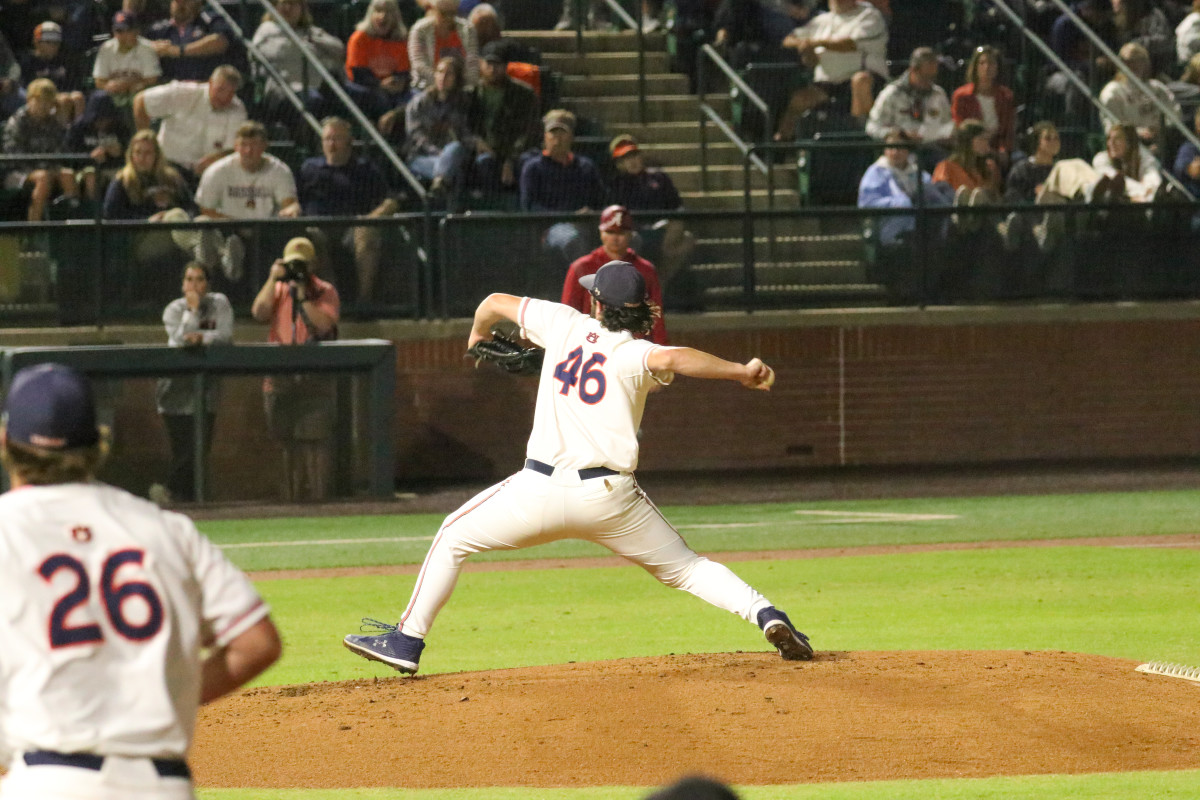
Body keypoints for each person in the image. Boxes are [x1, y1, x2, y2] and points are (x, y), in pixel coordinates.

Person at [342, 260, 812, 675]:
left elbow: (491, 303)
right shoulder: (635, 355)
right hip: (610, 498)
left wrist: (478, 335)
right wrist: (741, 371)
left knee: (452, 536)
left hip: (538, 490)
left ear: (596, 301)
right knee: (687, 568)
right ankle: (767, 615)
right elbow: (673, 357)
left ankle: (407, 640)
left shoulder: (563, 322)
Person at [0, 362, 282, 800]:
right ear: (99, 442)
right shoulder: (165, 528)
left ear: (5, 443)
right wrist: (165, 697)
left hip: (45, 780)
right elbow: (256, 643)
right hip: (161, 784)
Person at [250, 236, 341, 501]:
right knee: (284, 441)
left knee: (316, 440)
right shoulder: (278, 289)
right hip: (280, 378)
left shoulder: (325, 290)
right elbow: (259, 312)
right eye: (293, 265)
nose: (297, 270)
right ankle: (290, 502)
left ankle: (319, 502)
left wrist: (303, 296)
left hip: (316, 377)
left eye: (302, 265)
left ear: (313, 265)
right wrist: (272, 278)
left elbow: (323, 325)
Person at [152, 262, 234, 504]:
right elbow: (181, 339)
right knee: (184, 450)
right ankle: (175, 495)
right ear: (182, 284)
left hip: (205, 391)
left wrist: (202, 338)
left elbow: (225, 336)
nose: (194, 285)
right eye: (189, 279)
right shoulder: (173, 310)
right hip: (174, 393)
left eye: (199, 279)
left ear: (207, 284)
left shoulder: (219, 303)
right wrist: (193, 311)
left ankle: (178, 496)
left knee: (200, 449)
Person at [298, 115, 399, 304]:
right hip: (318, 226)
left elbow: (391, 201)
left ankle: (364, 301)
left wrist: (370, 218)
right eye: (327, 139)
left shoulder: (365, 169)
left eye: (337, 138)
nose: (332, 143)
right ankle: (328, 302)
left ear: (349, 141)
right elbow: (294, 200)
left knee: (367, 234)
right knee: (311, 236)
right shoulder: (309, 169)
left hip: (353, 227)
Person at [193, 120, 302, 282]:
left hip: (265, 231)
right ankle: (223, 265)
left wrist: (292, 209)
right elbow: (206, 210)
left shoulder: (279, 170)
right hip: (227, 229)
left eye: (254, 145)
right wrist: (235, 224)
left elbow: (290, 203)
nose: (248, 151)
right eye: (243, 145)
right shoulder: (217, 171)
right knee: (202, 223)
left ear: (264, 146)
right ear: (236, 146)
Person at [773, 0, 889, 139]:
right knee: (800, 99)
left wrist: (814, 43)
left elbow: (848, 44)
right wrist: (803, 45)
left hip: (862, 77)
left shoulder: (870, 16)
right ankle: (780, 147)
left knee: (861, 81)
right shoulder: (822, 20)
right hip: (828, 83)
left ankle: (863, 140)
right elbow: (788, 39)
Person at [561, 204, 668, 344]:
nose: (615, 238)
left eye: (621, 233)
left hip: (633, 346)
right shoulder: (581, 267)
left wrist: (661, 346)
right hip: (592, 343)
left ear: (631, 234)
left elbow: (656, 317)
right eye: (610, 232)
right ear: (601, 233)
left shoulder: (645, 269)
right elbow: (568, 314)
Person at [520, 108, 609, 271]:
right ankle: (588, 291)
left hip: (587, 225)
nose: (557, 139)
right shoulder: (533, 167)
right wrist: (568, 216)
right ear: (545, 136)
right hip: (551, 228)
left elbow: (601, 200)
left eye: (562, 133)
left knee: (627, 239)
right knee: (572, 239)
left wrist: (590, 213)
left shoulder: (585, 166)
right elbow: (530, 207)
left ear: (571, 137)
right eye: (553, 133)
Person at [133, 64, 248, 186]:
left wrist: (215, 159)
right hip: (168, 166)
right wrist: (147, 141)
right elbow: (140, 101)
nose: (224, 97)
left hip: (209, 174)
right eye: (220, 89)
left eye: (230, 93)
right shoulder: (183, 92)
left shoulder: (237, 109)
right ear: (210, 83)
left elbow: (234, 148)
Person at [606, 133, 695, 290]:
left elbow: (677, 205)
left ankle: (658, 284)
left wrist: (672, 223)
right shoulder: (616, 185)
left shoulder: (658, 177)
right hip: (635, 232)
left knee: (687, 239)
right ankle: (645, 288)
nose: (632, 160)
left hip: (662, 230)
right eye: (626, 158)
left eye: (634, 155)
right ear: (619, 163)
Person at [252, 0, 345, 127]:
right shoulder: (267, 30)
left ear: (302, 9)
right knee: (314, 102)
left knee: (361, 97)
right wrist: (314, 50)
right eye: (284, 3)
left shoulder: (310, 31)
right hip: (283, 90)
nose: (287, 8)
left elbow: (338, 49)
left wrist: (312, 42)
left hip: (316, 85)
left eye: (293, 3)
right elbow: (279, 52)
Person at [467, 39, 539, 201]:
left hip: (514, 151)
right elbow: (463, 127)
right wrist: (475, 141)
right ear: (481, 64)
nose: (492, 69)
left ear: (506, 66)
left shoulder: (524, 94)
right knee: (484, 162)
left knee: (529, 162)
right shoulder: (470, 95)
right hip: (482, 152)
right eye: (488, 64)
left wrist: (510, 159)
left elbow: (529, 131)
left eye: (497, 64)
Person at [1, 78, 80, 222]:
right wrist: (41, 169)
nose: (44, 106)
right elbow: (13, 156)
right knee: (43, 178)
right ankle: (34, 229)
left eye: (48, 102)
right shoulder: (18, 122)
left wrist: (63, 123)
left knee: (68, 175)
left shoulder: (52, 122)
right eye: (40, 101)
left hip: (47, 168)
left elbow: (60, 150)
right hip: (16, 173)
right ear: (30, 99)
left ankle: (72, 225)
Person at [404, 55, 473, 209]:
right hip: (422, 157)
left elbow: (464, 133)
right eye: (440, 72)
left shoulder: (462, 104)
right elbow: (415, 135)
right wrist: (438, 153)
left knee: (454, 149)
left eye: (449, 74)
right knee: (453, 171)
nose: (443, 77)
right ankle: (449, 215)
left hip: (452, 155)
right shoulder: (419, 103)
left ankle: (440, 185)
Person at [865, 47, 955, 163]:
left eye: (932, 78)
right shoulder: (892, 94)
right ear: (913, 70)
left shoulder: (938, 94)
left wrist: (948, 135)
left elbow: (948, 125)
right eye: (925, 77)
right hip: (901, 152)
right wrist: (900, 134)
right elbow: (872, 127)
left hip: (933, 149)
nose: (929, 83)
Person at [344, 0, 412, 138]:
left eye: (388, 12)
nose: (383, 16)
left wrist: (399, 83)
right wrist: (380, 84)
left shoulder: (401, 40)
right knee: (380, 98)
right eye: (378, 11)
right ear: (370, 15)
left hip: (392, 89)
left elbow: (404, 73)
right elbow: (358, 73)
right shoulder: (359, 38)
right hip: (363, 87)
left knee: (414, 97)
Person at [1099, 41, 1180, 152]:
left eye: (1139, 60)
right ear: (1120, 63)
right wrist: (1138, 132)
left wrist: (1161, 128)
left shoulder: (1157, 88)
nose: (1135, 65)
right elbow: (1112, 126)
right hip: (1131, 144)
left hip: (1161, 138)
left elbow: (1175, 113)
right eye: (1129, 61)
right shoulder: (1112, 92)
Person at [950, 45, 1016, 165]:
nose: (987, 67)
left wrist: (1003, 150)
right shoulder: (961, 96)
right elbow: (960, 128)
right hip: (971, 148)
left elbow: (1008, 130)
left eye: (991, 63)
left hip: (997, 146)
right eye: (982, 63)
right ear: (975, 67)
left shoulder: (1006, 96)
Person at [66, 91, 133, 205]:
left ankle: (122, 213)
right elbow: (69, 155)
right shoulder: (79, 127)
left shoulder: (120, 126)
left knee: (127, 176)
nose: (103, 123)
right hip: (86, 168)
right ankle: (92, 213)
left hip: (114, 167)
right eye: (99, 120)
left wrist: (120, 152)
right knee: (91, 175)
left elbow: (131, 152)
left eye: (106, 119)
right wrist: (89, 157)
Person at [145, 0, 234, 83]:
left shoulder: (209, 20)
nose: (181, 4)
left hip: (203, 84)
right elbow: (140, 45)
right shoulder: (158, 30)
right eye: (178, 1)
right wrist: (152, 47)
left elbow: (220, 41)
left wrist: (178, 50)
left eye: (186, 1)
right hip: (170, 86)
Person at [91, 11, 162, 109]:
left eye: (127, 30)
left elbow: (152, 79)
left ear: (137, 31)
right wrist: (109, 86)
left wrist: (128, 85)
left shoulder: (147, 48)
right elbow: (99, 81)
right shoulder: (106, 48)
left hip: (138, 93)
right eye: (119, 31)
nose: (123, 35)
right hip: (113, 96)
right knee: (99, 98)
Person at [19, 21, 85, 123]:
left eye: (56, 43)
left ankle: (77, 132)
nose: (53, 46)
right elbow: (26, 87)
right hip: (40, 98)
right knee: (63, 100)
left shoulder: (65, 60)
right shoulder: (28, 61)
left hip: (63, 94)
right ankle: (60, 135)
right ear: (37, 42)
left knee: (78, 97)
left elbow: (73, 83)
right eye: (48, 42)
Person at [408, 0, 479, 90]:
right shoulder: (420, 30)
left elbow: (472, 63)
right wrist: (442, 81)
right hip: (428, 87)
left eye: (452, 13)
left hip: (461, 87)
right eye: (443, 13)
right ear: (433, 10)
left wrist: (462, 84)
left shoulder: (468, 29)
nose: (448, 18)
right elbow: (419, 65)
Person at [931, 118, 1002, 199]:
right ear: (967, 140)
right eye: (982, 139)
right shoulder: (946, 167)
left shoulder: (987, 168)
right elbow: (940, 193)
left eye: (987, 140)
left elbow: (995, 199)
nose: (986, 145)